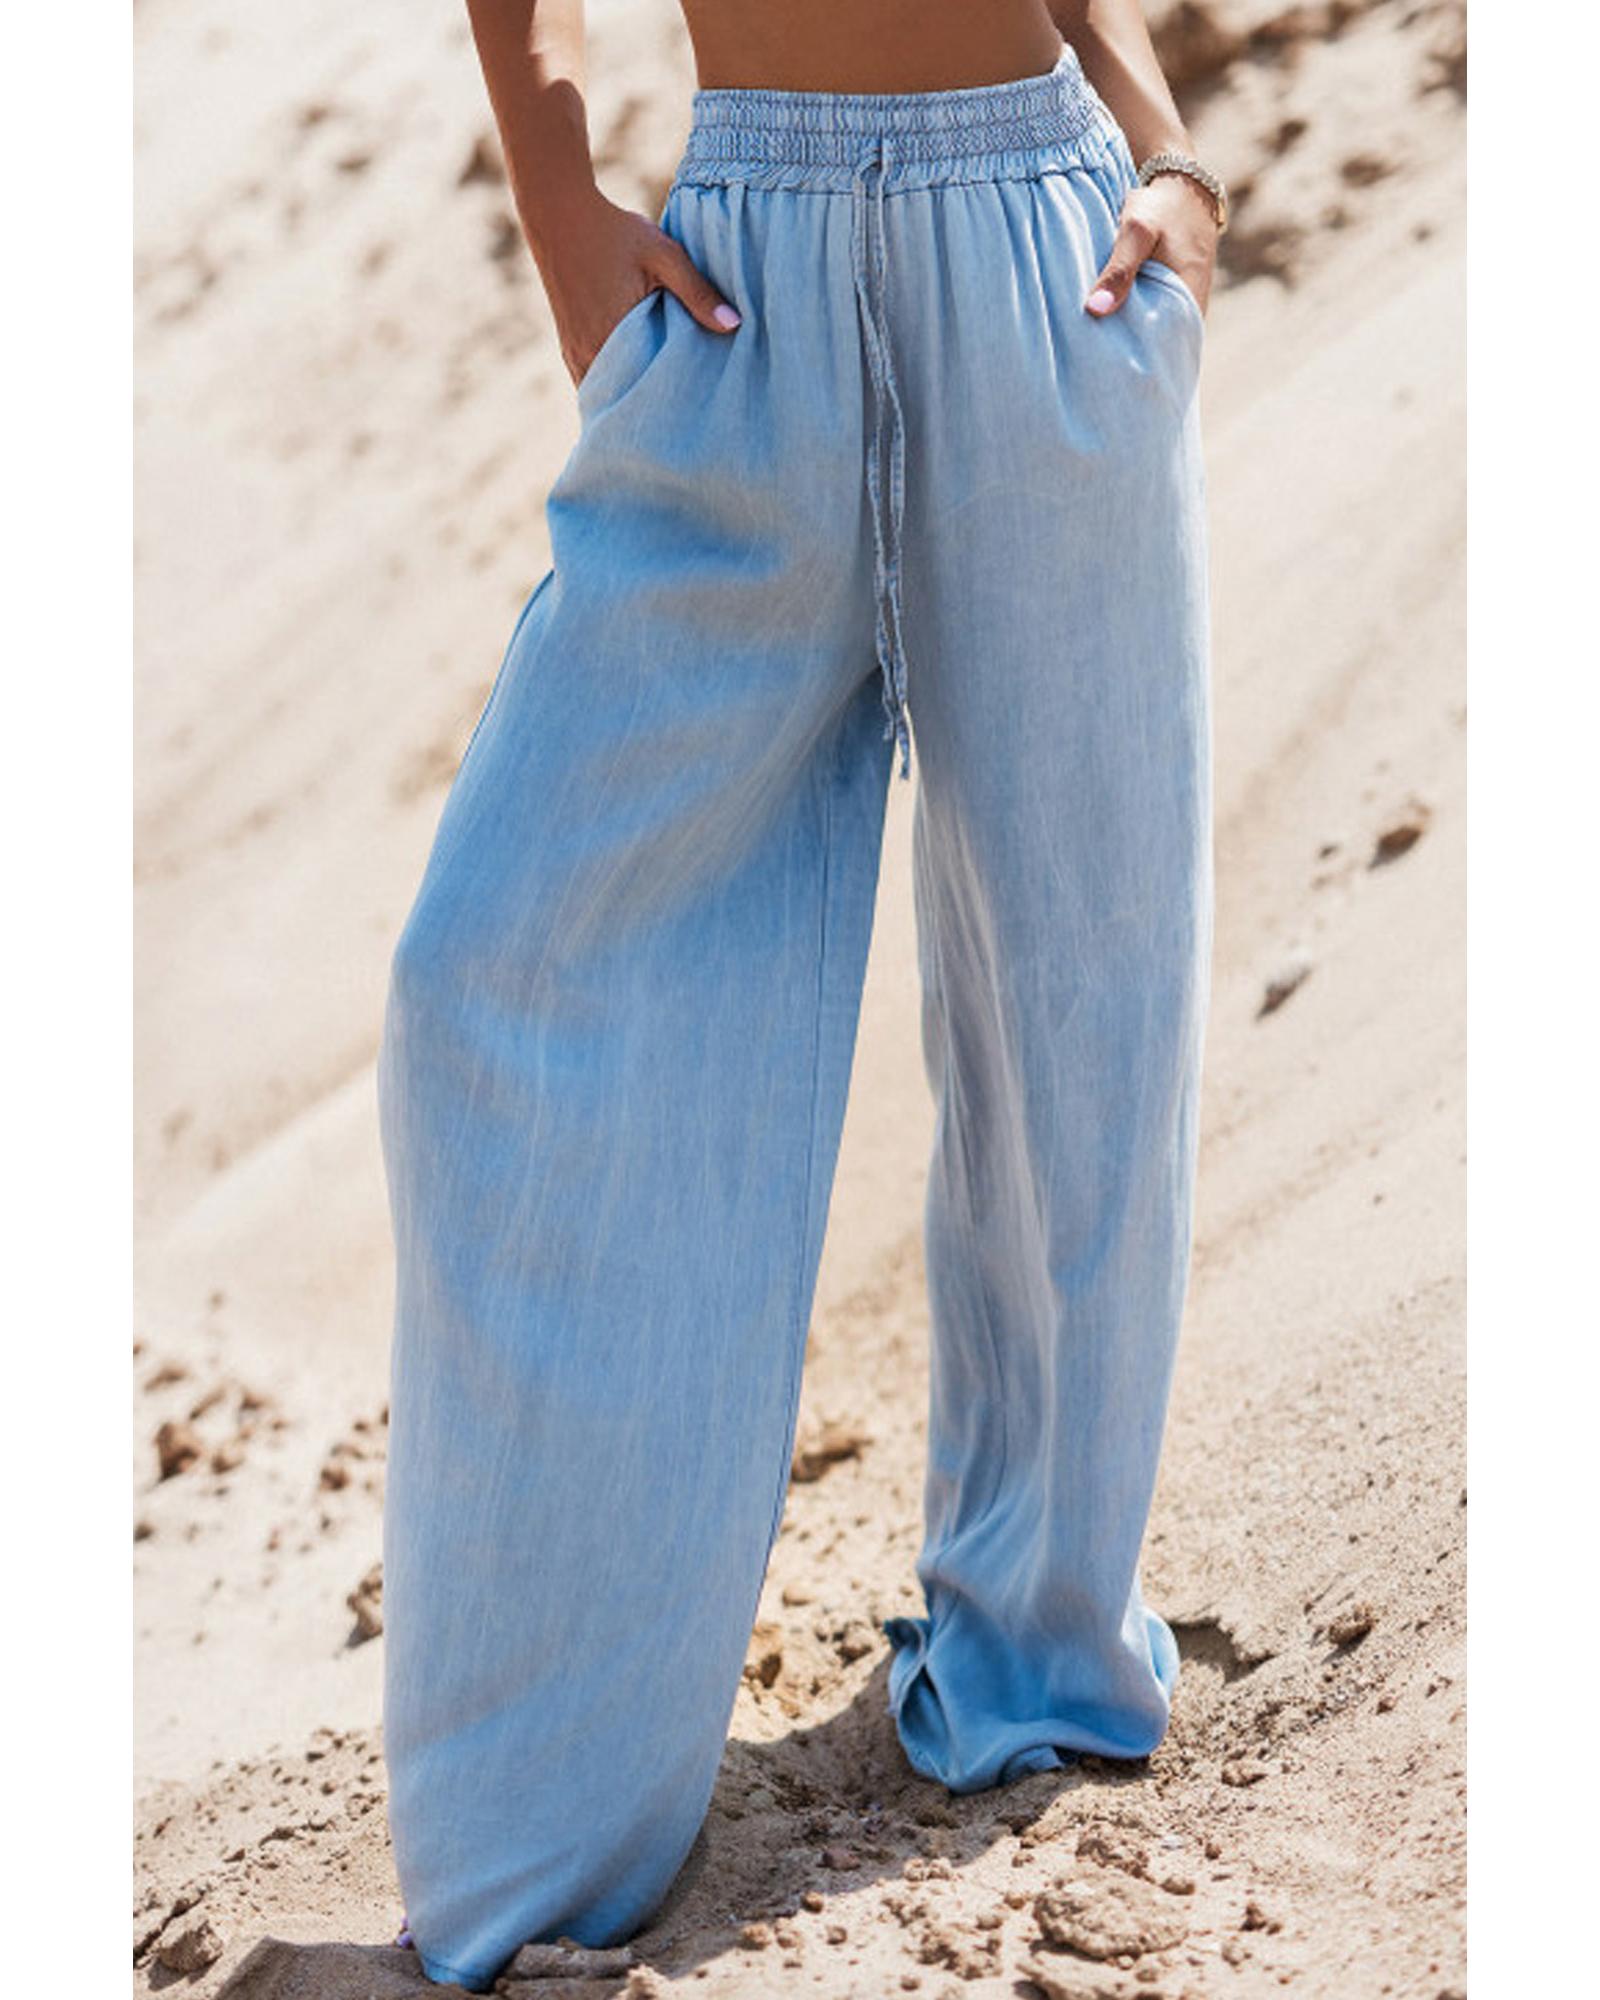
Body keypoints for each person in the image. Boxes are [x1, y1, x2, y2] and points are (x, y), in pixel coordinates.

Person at [377, 1, 1226, 1989]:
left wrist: (1171, 155)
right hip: (739, 274)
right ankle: (539, 1817)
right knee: (490, 974)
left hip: (1047, 250)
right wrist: (556, 193)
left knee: (1077, 989)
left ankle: (1035, 1652)